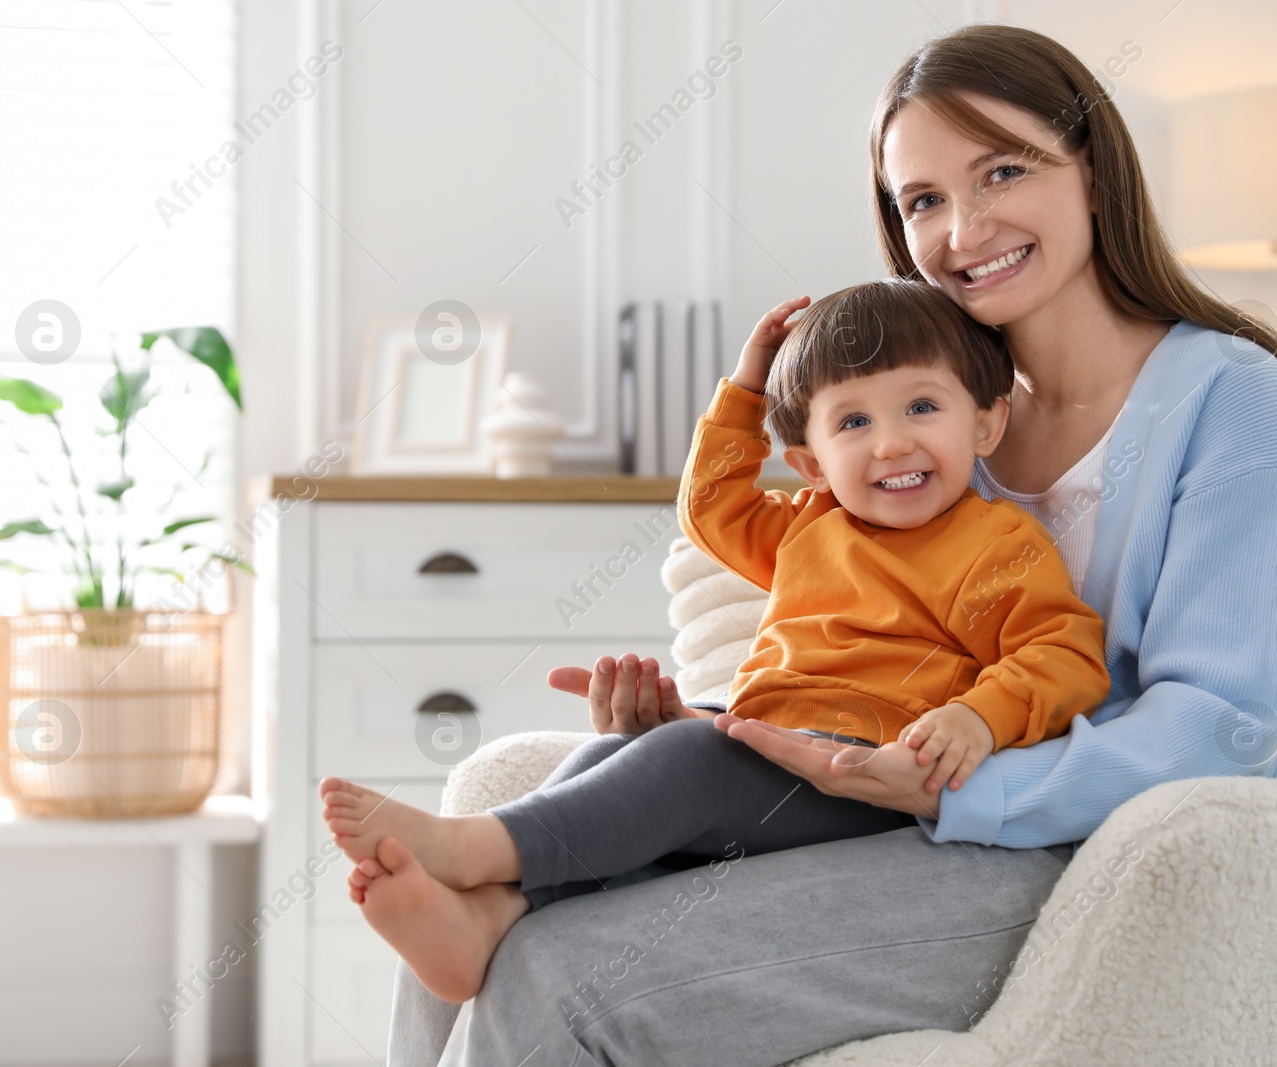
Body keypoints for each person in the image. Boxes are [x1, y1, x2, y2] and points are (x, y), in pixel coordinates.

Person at [383, 22, 1277, 1067]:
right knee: (475, 882)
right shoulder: (935, 428)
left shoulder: (1225, 397)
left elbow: (1227, 725)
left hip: (1074, 853)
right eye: (921, 200)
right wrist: (685, 736)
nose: (962, 227)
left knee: (555, 972)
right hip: (875, 804)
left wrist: (952, 783)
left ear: (1095, 173)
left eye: (1002, 170)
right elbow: (841, 626)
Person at [317, 278, 1113, 1003]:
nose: (892, 444)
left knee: (687, 758)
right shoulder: (811, 525)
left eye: (922, 408)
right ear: (810, 461)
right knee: (610, 759)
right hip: (768, 752)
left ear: (987, 420)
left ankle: (477, 847)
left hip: (865, 784)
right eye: (855, 421)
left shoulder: (995, 545)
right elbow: (710, 505)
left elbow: (1066, 653)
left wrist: (977, 718)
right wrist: (747, 384)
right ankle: (492, 914)